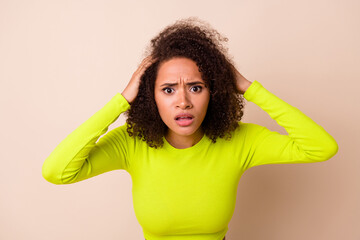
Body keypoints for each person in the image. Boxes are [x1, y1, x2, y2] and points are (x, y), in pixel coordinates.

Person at [42, 17, 338, 240]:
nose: (183, 101)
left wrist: (248, 88)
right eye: (168, 90)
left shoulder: (240, 140)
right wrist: (121, 101)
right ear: (150, 96)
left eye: (196, 87)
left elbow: (321, 147)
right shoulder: (132, 143)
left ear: (215, 91)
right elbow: (57, 171)